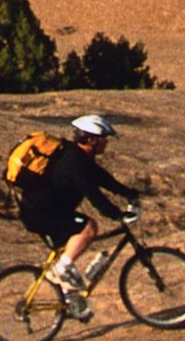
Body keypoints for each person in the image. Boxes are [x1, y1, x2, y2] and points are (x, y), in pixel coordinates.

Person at [7, 114, 141, 308]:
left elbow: (103, 178)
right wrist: (117, 214)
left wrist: (129, 193)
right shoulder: (75, 162)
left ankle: (71, 301)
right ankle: (61, 271)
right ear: (92, 140)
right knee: (88, 228)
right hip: (41, 214)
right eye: (104, 138)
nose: (106, 143)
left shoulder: (77, 156)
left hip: (39, 211)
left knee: (70, 249)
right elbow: (93, 194)